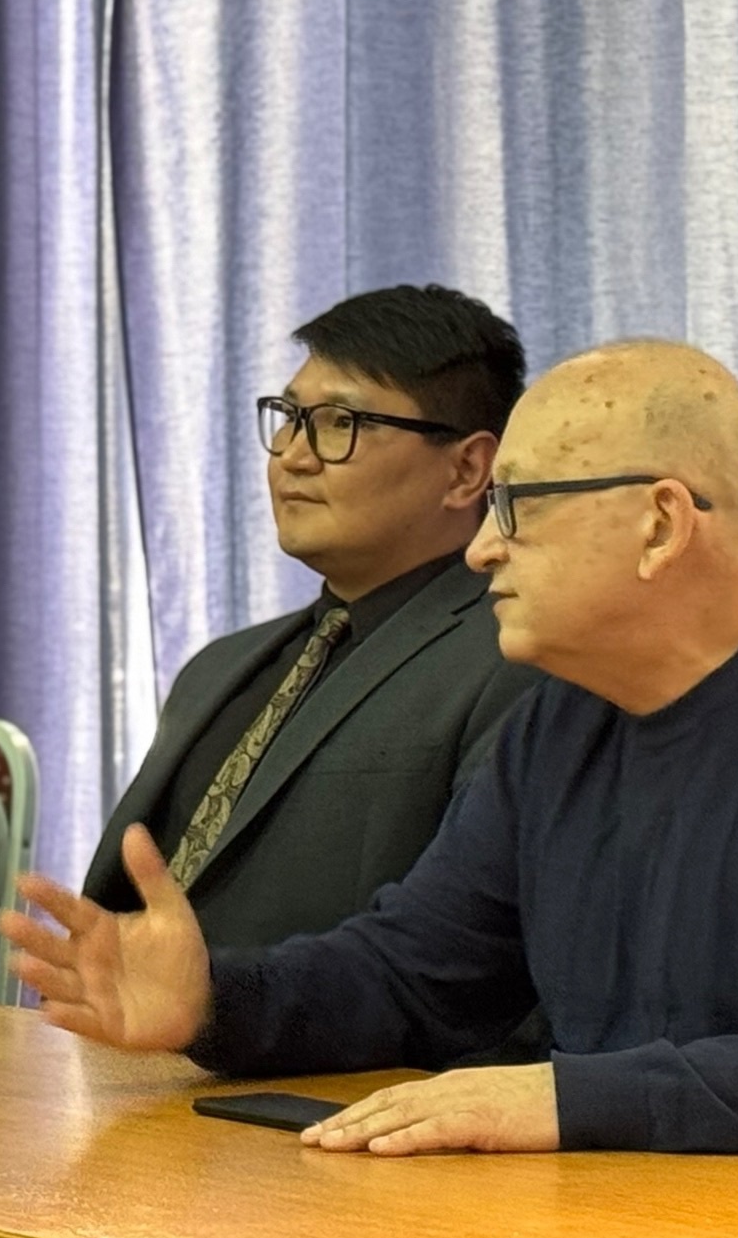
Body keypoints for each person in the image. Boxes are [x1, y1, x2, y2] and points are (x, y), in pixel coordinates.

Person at [5, 340, 738, 1166]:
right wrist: (213, 1004)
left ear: (661, 524)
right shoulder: (563, 723)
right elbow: (412, 976)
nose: (481, 549)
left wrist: (557, 1097)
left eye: (517, 507)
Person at [83, 283, 541, 946]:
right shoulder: (218, 669)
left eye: (339, 424)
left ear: (467, 470)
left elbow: (472, 949)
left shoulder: (513, 659)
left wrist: (216, 997)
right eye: (290, 418)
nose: (294, 457)